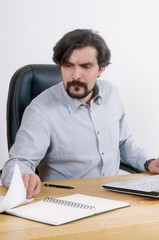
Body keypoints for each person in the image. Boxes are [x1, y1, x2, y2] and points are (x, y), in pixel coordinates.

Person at [1, 29, 159, 199]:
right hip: (67, 203)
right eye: (67, 65)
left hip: (116, 195)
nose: (75, 75)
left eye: (86, 66)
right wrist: (24, 177)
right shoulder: (41, 110)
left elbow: (124, 142)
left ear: (101, 68)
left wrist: (149, 162)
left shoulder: (112, 93)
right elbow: (18, 162)